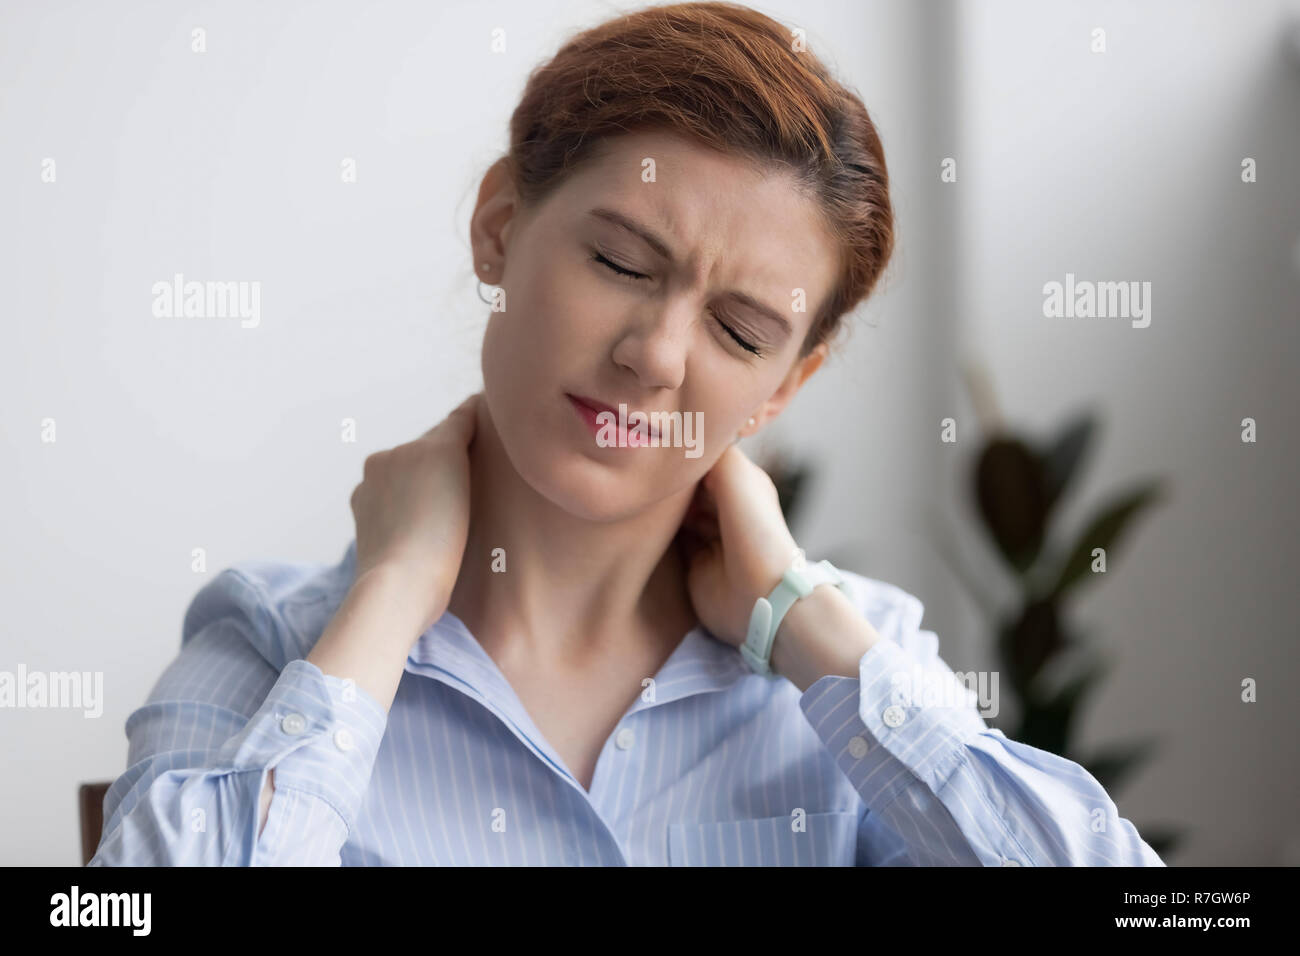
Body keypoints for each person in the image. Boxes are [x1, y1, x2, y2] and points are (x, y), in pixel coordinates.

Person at [89, 1, 1163, 866]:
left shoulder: (849, 671)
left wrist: (805, 622)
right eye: (618, 265)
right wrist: (393, 595)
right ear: (500, 227)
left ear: (785, 386)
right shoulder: (283, 645)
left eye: (740, 331)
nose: (655, 354)